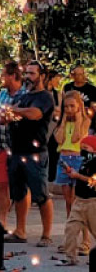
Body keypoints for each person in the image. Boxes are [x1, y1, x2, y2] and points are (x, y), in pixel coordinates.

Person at [5, 61, 55, 246]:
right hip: (17, 151)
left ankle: (47, 235)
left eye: (32, 73)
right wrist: (11, 113)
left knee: (41, 195)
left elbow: (35, 114)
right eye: (26, 73)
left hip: (35, 153)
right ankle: (20, 231)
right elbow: (6, 117)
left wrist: (15, 111)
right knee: (18, 194)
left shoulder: (45, 97)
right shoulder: (24, 97)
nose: (28, 77)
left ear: (42, 76)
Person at [0, 62, 25, 229]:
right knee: (1, 184)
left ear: (13, 75)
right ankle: (1, 222)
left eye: (4, 74)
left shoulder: (25, 95)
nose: (1, 78)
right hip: (1, 145)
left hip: (18, 147)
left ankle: (21, 226)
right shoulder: (2, 94)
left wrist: (10, 115)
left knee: (20, 186)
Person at [59, 135, 96, 265]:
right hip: (79, 201)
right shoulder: (84, 162)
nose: (83, 151)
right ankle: (70, 257)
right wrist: (72, 173)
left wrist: (78, 176)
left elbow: (93, 181)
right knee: (71, 228)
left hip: (92, 203)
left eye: (85, 148)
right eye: (81, 148)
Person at [53, 92, 89, 222]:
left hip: (77, 161)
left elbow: (75, 138)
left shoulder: (85, 121)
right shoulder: (63, 122)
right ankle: (71, 229)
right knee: (68, 201)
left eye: (72, 106)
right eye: (66, 107)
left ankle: (82, 232)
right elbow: (59, 139)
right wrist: (62, 120)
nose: (69, 110)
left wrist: (79, 118)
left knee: (76, 200)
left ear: (79, 106)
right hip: (63, 160)